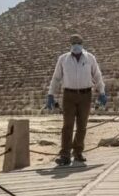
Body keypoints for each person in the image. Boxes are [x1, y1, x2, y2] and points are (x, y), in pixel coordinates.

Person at [46, 34, 107, 166]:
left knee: (82, 125)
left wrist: (102, 91)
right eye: (73, 42)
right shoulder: (63, 59)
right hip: (69, 95)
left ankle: (78, 152)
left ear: (82, 43)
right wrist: (50, 94)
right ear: (70, 44)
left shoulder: (90, 58)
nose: (76, 45)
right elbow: (56, 78)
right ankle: (65, 155)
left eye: (78, 42)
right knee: (67, 125)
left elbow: (97, 75)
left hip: (86, 94)